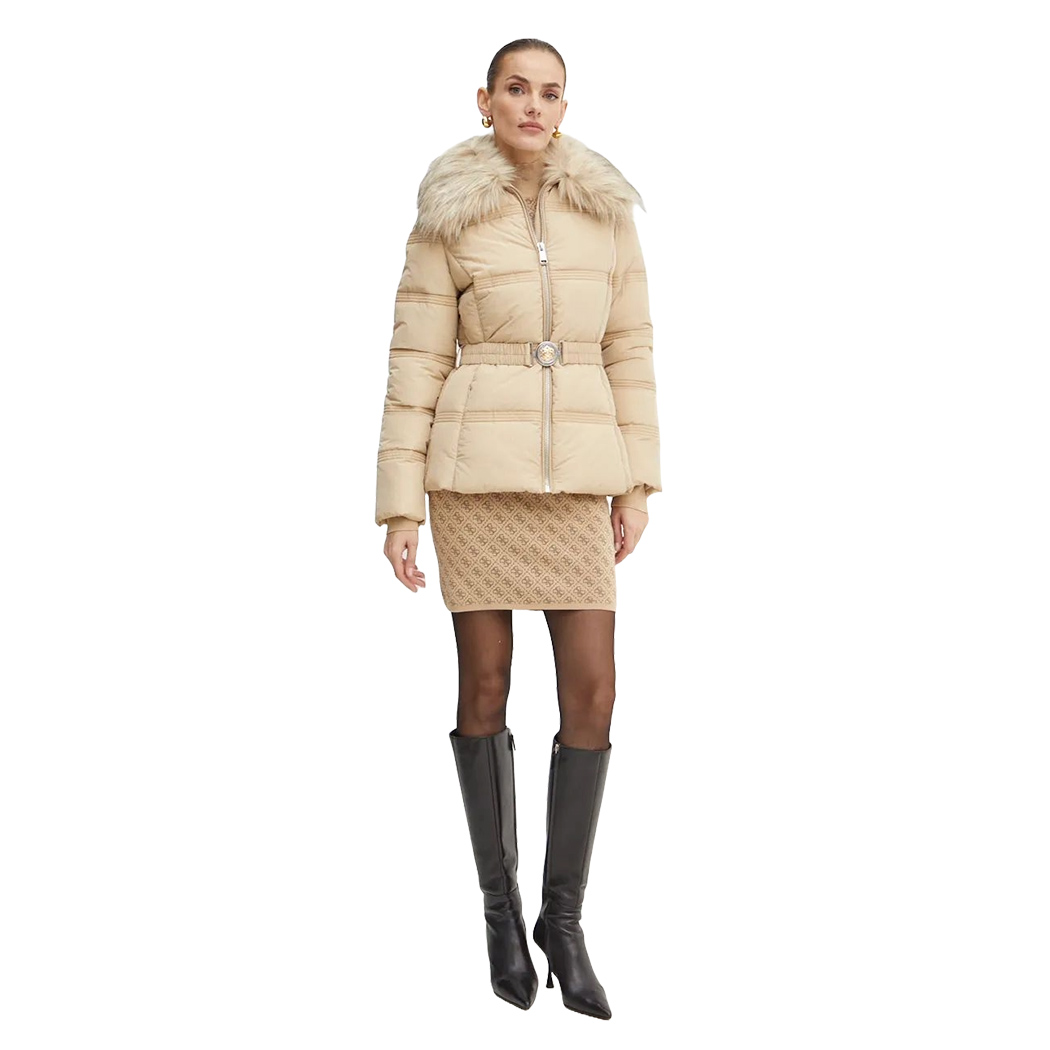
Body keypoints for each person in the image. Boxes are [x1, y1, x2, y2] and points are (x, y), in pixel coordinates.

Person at [373, 38, 661, 1019]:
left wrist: (637, 484)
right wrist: (400, 505)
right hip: (474, 480)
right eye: (516, 89)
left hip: (578, 477)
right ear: (485, 99)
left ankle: (561, 922)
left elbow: (631, 349)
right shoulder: (447, 213)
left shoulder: (605, 211)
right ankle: (500, 913)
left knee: (594, 695)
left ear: (564, 107)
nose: (534, 106)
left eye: (550, 92)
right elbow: (415, 359)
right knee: (485, 687)